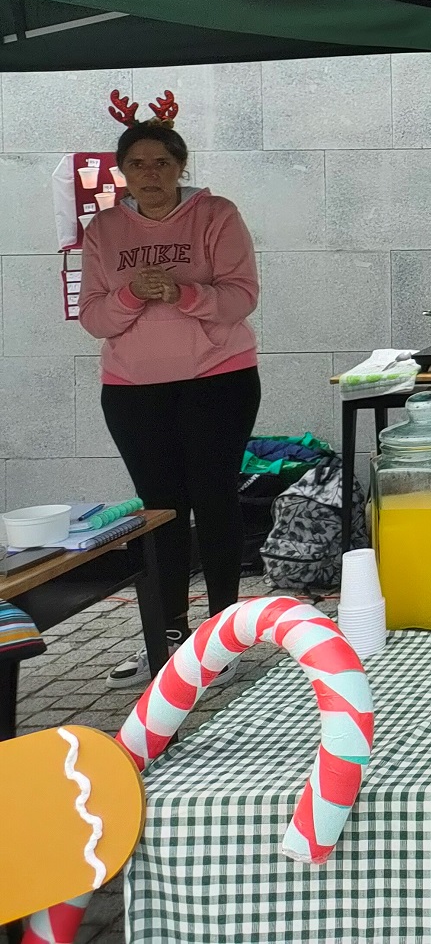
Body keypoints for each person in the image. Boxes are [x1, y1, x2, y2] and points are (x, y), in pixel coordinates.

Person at [78, 93, 261, 684]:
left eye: (161, 163)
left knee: (214, 501)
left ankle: (224, 636)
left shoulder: (217, 216)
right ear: (122, 172)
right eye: (138, 164)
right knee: (160, 512)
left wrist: (183, 293)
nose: (149, 175)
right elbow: (94, 317)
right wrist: (134, 294)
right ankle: (168, 639)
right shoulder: (104, 230)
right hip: (133, 390)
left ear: (181, 166)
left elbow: (241, 298)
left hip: (219, 379)